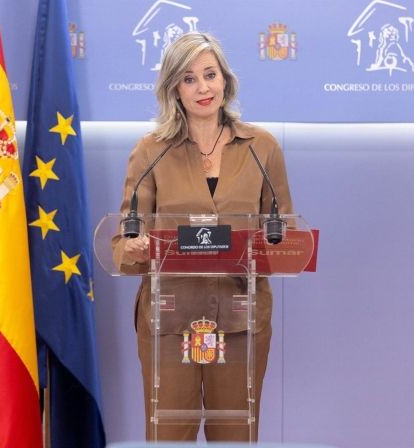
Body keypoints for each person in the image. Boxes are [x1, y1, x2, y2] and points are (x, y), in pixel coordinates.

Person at [113, 32, 293, 441]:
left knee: (235, 436)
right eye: (189, 79)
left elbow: (285, 230)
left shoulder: (262, 147)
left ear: (225, 79)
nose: (203, 88)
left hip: (240, 319)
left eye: (210, 75)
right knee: (169, 437)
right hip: (170, 321)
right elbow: (125, 237)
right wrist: (135, 246)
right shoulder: (151, 151)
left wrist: (275, 245)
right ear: (174, 88)